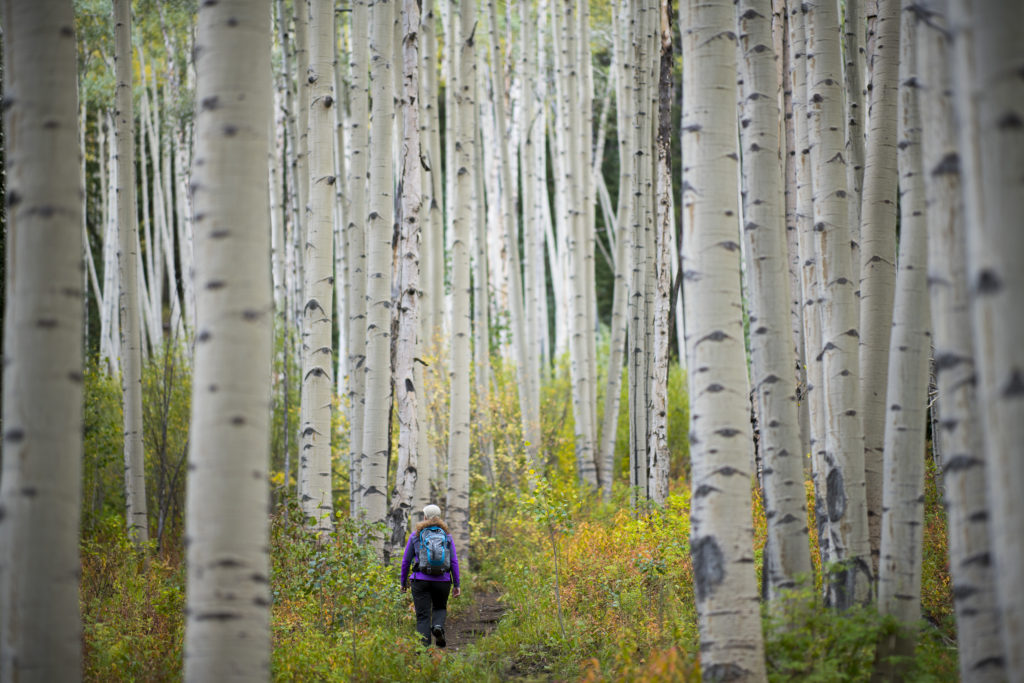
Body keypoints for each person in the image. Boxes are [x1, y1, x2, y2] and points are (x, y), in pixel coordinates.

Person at [400, 504, 461, 647]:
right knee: (440, 608)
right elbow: (453, 561)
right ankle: (438, 626)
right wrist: (457, 584)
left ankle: (424, 652)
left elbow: (405, 561)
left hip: (420, 580)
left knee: (422, 617)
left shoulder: (415, 536)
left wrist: (403, 582)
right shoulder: (447, 536)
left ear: (425, 517)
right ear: (439, 517)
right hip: (443, 580)